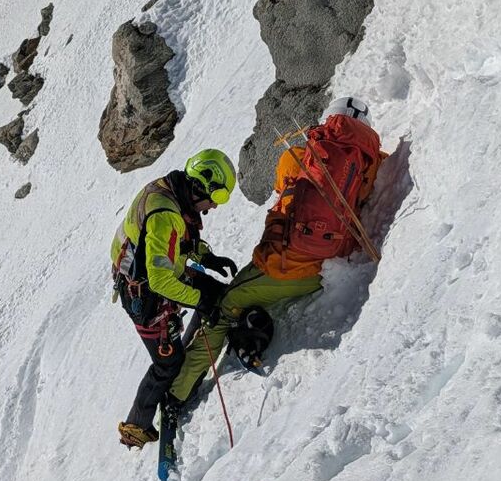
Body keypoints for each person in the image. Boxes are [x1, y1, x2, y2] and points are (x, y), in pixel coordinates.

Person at [168, 96, 387, 404]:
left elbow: (284, 194)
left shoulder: (297, 156)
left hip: (288, 266)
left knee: (226, 303)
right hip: (333, 262)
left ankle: (177, 393)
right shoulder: (371, 160)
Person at [112, 149, 239, 448]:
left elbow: (176, 244)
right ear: (200, 187)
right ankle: (136, 427)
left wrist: (207, 258)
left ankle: (198, 330)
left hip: (155, 275)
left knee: (211, 293)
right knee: (167, 363)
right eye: (217, 197)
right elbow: (160, 281)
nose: (214, 206)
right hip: (143, 295)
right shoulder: (164, 214)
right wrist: (199, 300)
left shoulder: (173, 192)